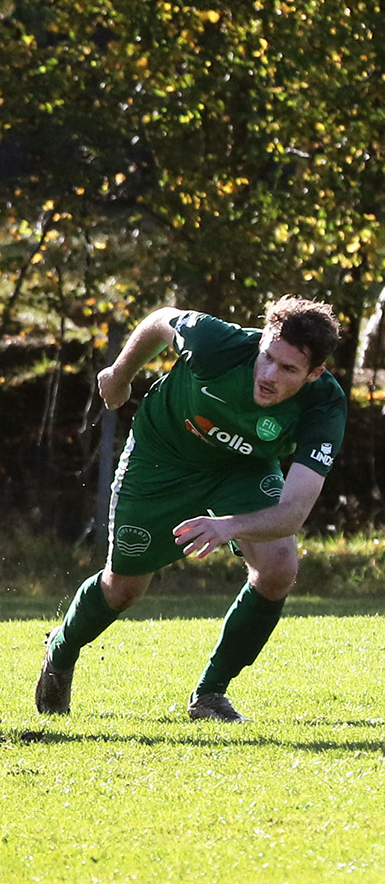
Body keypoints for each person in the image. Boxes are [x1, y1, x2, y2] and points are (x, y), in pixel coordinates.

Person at [36, 298, 347, 722]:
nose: (269, 375)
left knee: (278, 568)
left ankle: (209, 695)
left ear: (315, 373)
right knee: (123, 589)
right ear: (261, 342)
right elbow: (160, 320)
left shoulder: (324, 404)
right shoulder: (216, 344)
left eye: (288, 369)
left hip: (243, 466)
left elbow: (294, 511)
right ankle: (62, 649)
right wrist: (119, 375)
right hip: (162, 456)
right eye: (268, 358)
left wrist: (229, 527)